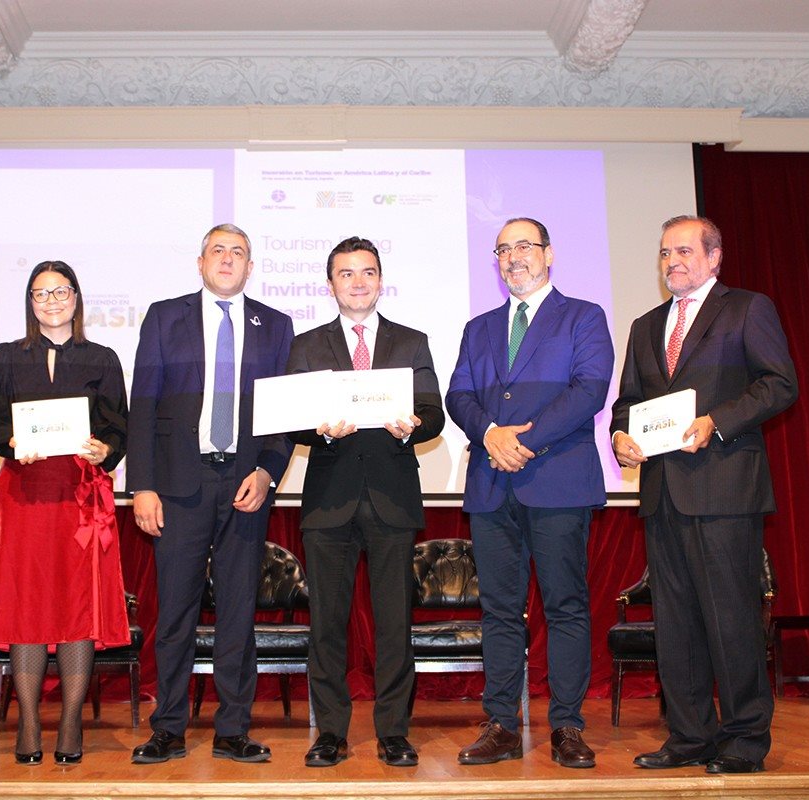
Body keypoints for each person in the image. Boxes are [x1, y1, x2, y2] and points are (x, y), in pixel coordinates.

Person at [610, 215, 797, 774]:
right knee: (677, 624)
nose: (673, 262)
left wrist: (717, 421)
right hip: (663, 494)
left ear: (715, 257)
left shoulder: (746, 308)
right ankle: (689, 736)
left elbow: (779, 383)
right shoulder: (645, 326)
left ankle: (743, 739)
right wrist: (620, 436)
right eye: (665, 253)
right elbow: (628, 404)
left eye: (686, 251)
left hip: (725, 492)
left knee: (731, 619)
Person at [446, 217, 613, 769]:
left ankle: (566, 724)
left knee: (565, 606)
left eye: (524, 246)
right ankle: (501, 724)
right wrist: (491, 435)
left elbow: (589, 389)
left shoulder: (583, 317)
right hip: (492, 483)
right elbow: (459, 394)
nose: (513, 256)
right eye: (503, 249)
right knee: (498, 610)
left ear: (549, 253)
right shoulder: (479, 327)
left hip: (557, 479)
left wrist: (527, 442)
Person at [127, 223, 294, 764]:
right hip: (178, 484)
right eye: (218, 251)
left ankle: (232, 730)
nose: (227, 259)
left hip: (246, 484)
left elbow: (282, 415)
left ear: (251, 266)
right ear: (201, 263)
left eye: (238, 252)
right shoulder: (163, 316)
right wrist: (143, 485)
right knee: (175, 611)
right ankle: (169, 728)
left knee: (238, 613)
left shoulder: (276, 325)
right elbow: (143, 405)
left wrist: (268, 472)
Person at [285, 236, 444, 768]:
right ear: (330, 284)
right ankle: (330, 732)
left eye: (367, 272)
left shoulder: (411, 341)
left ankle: (393, 732)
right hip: (329, 501)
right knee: (326, 624)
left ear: (380, 280)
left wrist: (413, 425)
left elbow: (434, 414)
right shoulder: (306, 345)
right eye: (347, 274)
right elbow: (292, 419)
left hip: (391, 499)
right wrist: (320, 430)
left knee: (394, 624)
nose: (358, 282)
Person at [0, 261, 130, 766]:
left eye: (61, 291)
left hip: (81, 499)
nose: (52, 301)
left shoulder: (103, 358)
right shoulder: (2, 358)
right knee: (29, 609)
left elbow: (118, 427)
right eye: (41, 294)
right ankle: (31, 725)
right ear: (29, 302)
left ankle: (71, 723)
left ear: (77, 298)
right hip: (24, 498)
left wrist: (105, 450)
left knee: (77, 608)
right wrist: (11, 442)